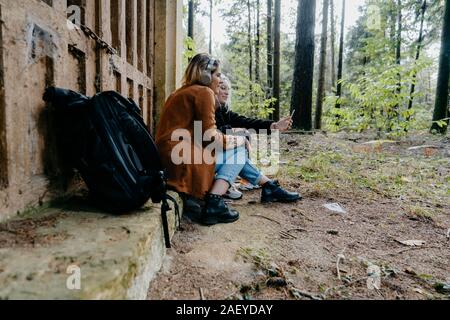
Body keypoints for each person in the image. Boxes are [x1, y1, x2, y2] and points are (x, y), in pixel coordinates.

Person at [155, 53, 248, 226]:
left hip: (168, 159)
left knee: (233, 148)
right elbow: (211, 138)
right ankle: (214, 202)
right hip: (182, 160)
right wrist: (240, 140)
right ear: (206, 75)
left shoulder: (180, 92)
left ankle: (266, 185)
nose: (220, 80)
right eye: (217, 75)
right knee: (239, 151)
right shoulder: (204, 92)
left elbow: (201, 133)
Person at [215, 74, 301, 203]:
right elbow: (210, 134)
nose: (226, 92)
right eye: (222, 88)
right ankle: (215, 197)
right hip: (204, 158)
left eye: (228, 89)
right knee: (240, 148)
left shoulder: (223, 110)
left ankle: (269, 186)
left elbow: (247, 121)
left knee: (241, 142)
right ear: (212, 89)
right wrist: (234, 132)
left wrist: (275, 125)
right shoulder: (206, 109)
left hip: (215, 156)